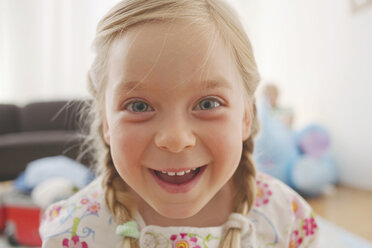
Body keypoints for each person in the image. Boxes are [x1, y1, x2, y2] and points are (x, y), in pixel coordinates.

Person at [39, 0, 319, 247]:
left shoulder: (289, 219)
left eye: (208, 104)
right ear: (107, 123)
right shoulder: (71, 233)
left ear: (246, 116)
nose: (175, 138)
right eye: (139, 106)